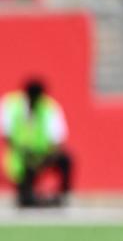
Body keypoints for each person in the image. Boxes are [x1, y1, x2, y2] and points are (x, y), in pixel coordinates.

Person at [1, 79, 72, 208]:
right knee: (25, 200)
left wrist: (45, 157)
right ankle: (27, 195)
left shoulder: (49, 108)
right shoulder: (11, 105)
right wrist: (24, 152)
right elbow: (6, 135)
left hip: (43, 156)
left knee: (66, 159)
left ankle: (63, 196)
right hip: (20, 158)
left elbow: (57, 139)